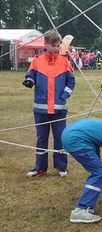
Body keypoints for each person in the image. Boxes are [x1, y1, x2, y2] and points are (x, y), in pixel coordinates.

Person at [23, 30, 76, 177]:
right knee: (41, 139)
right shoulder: (37, 60)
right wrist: (29, 81)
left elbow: (71, 81)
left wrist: (64, 95)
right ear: (45, 44)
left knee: (60, 138)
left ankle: (61, 167)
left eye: (58, 45)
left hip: (59, 109)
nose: (57, 47)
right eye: (54, 45)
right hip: (40, 109)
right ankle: (40, 167)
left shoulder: (65, 61)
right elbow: (31, 75)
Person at [61, 114, 102, 223]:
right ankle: (81, 210)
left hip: (69, 134)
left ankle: (101, 180)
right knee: (99, 173)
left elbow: (96, 151)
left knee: (99, 169)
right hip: (75, 140)